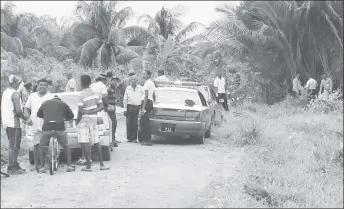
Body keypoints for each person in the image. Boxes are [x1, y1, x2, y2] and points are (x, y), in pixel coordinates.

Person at [77, 74, 110, 172]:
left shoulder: (81, 94)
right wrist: (92, 112)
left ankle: (88, 166)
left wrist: (78, 121)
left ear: (81, 82)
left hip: (84, 121)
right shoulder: (96, 92)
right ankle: (102, 164)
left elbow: (80, 110)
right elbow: (101, 107)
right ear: (90, 82)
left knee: (85, 142)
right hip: (94, 120)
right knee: (96, 142)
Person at [36, 95, 76, 173]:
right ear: (59, 100)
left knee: (42, 146)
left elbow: (39, 114)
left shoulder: (45, 103)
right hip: (59, 127)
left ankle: (42, 167)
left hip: (47, 128)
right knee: (66, 146)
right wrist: (66, 118)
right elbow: (71, 115)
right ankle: (69, 166)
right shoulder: (63, 103)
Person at [1, 75, 30, 174]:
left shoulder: (5, 92)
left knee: (13, 144)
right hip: (14, 123)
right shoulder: (15, 94)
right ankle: (11, 167)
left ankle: (14, 164)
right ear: (15, 82)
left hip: (7, 121)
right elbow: (18, 111)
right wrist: (26, 118)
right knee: (14, 146)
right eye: (18, 82)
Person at [25, 78, 54, 172]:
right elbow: (26, 109)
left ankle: (43, 165)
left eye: (44, 85)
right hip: (34, 124)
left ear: (47, 87)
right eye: (40, 85)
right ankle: (37, 165)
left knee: (44, 145)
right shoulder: (32, 96)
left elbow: (56, 108)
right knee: (35, 145)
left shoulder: (51, 96)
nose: (42, 86)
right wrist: (27, 118)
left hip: (46, 124)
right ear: (37, 86)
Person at [123, 76, 143, 143]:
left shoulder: (140, 88)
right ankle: (129, 138)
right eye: (132, 80)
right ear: (130, 82)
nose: (133, 81)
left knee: (135, 123)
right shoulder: (128, 88)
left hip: (137, 107)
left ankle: (134, 138)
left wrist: (142, 109)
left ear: (137, 81)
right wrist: (125, 109)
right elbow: (125, 99)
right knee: (128, 123)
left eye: (135, 80)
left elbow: (143, 98)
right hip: (129, 107)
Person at [138, 70, 155, 146]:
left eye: (144, 74)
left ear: (148, 75)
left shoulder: (147, 83)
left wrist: (143, 108)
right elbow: (154, 95)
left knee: (145, 122)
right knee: (143, 121)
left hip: (146, 102)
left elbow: (146, 96)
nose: (143, 75)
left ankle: (147, 140)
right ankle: (144, 138)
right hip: (149, 102)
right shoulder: (151, 83)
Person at [106, 75, 121, 147]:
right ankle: (112, 140)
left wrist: (115, 101)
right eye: (114, 80)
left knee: (114, 124)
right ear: (111, 81)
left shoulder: (114, 89)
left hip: (112, 109)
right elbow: (105, 99)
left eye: (116, 81)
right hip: (109, 109)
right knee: (113, 124)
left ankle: (113, 138)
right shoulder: (108, 89)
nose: (115, 82)